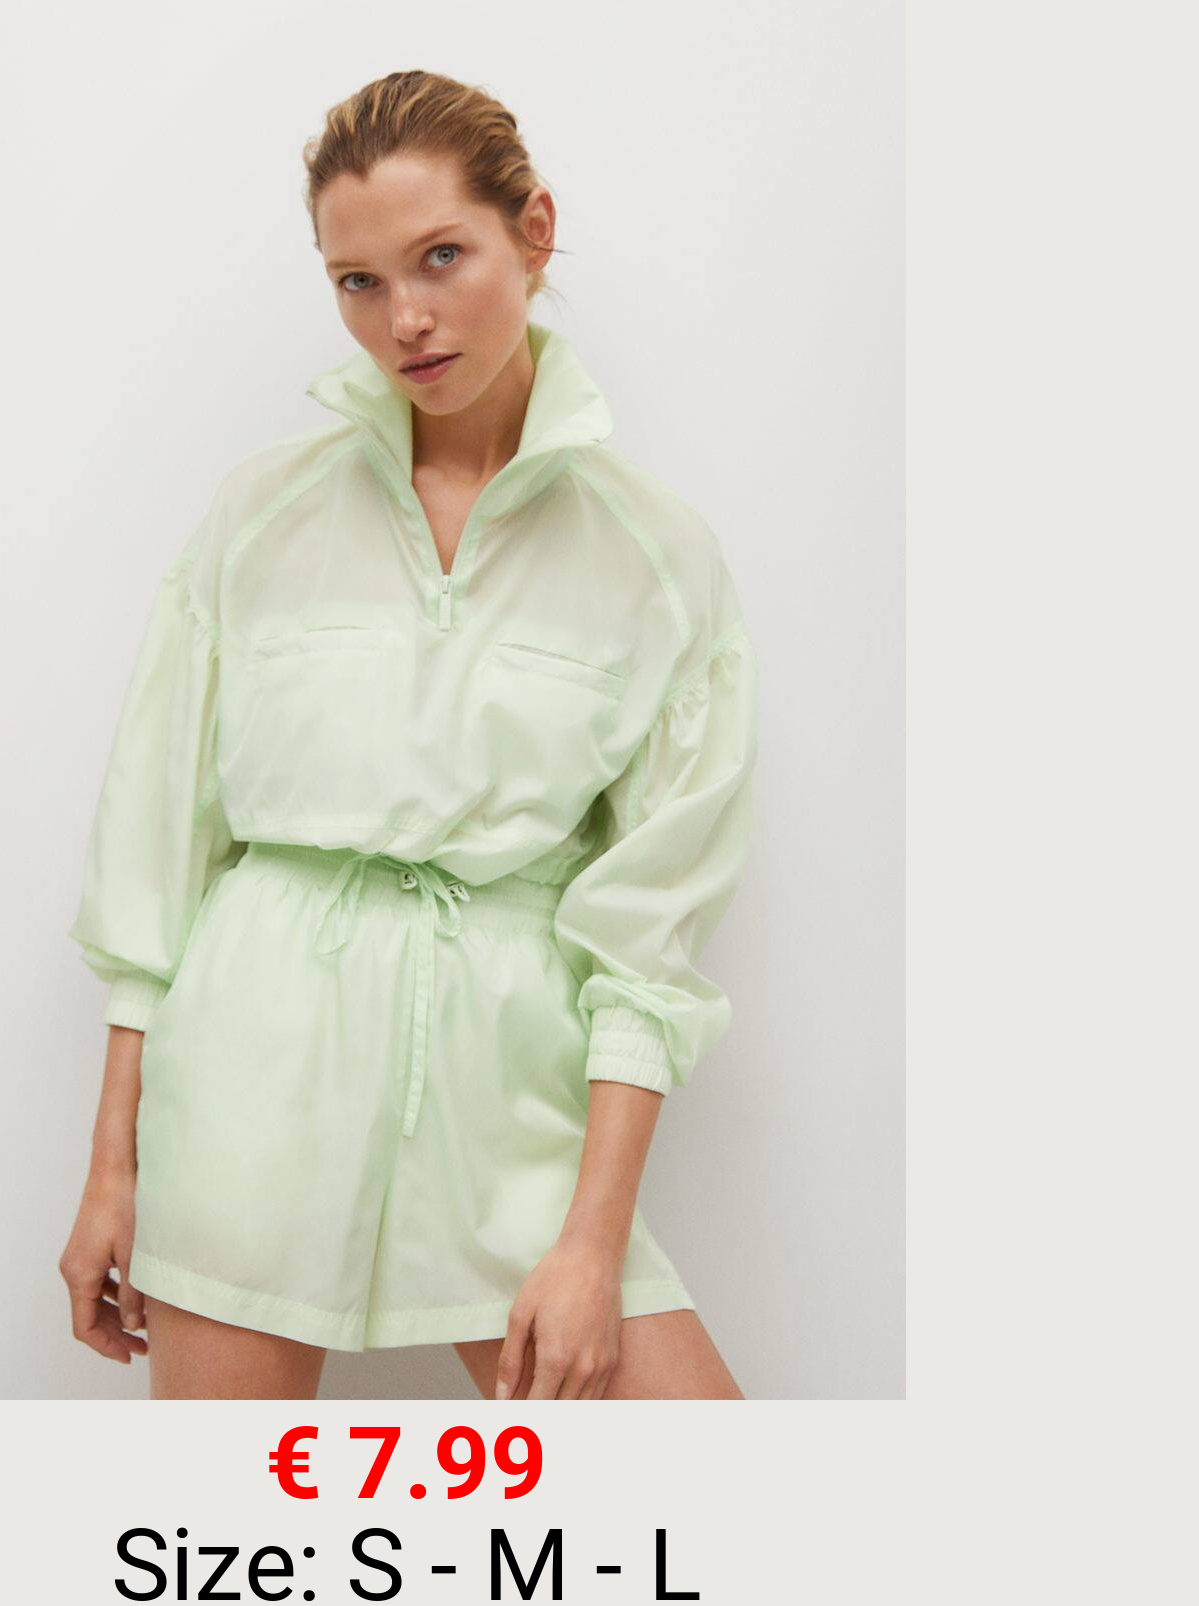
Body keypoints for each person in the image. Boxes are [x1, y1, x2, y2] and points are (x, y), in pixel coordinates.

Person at [60, 70, 758, 1400]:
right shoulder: (260, 518)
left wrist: (590, 1243)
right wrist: (110, 1173)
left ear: (532, 231)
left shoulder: (655, 558)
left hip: (510, 1101)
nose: (406, 319)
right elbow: (154, 860)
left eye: (441, 257)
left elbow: (649, 944)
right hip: (252, 1089)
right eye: (358, 282)